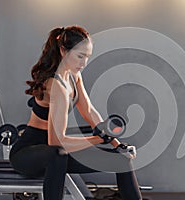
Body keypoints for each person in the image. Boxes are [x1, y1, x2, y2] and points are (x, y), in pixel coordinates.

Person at [9, 25, 142, 200]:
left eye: (87, 57)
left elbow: (88, 110)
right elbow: (56, 142)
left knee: (122, 159)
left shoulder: (73, 76)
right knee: (58, 155)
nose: (84, 63)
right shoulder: (55, 85)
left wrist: (116, 144)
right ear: (64, 51)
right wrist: (98, 138)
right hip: (27, 153)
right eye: (80, 56)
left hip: (56, 153)